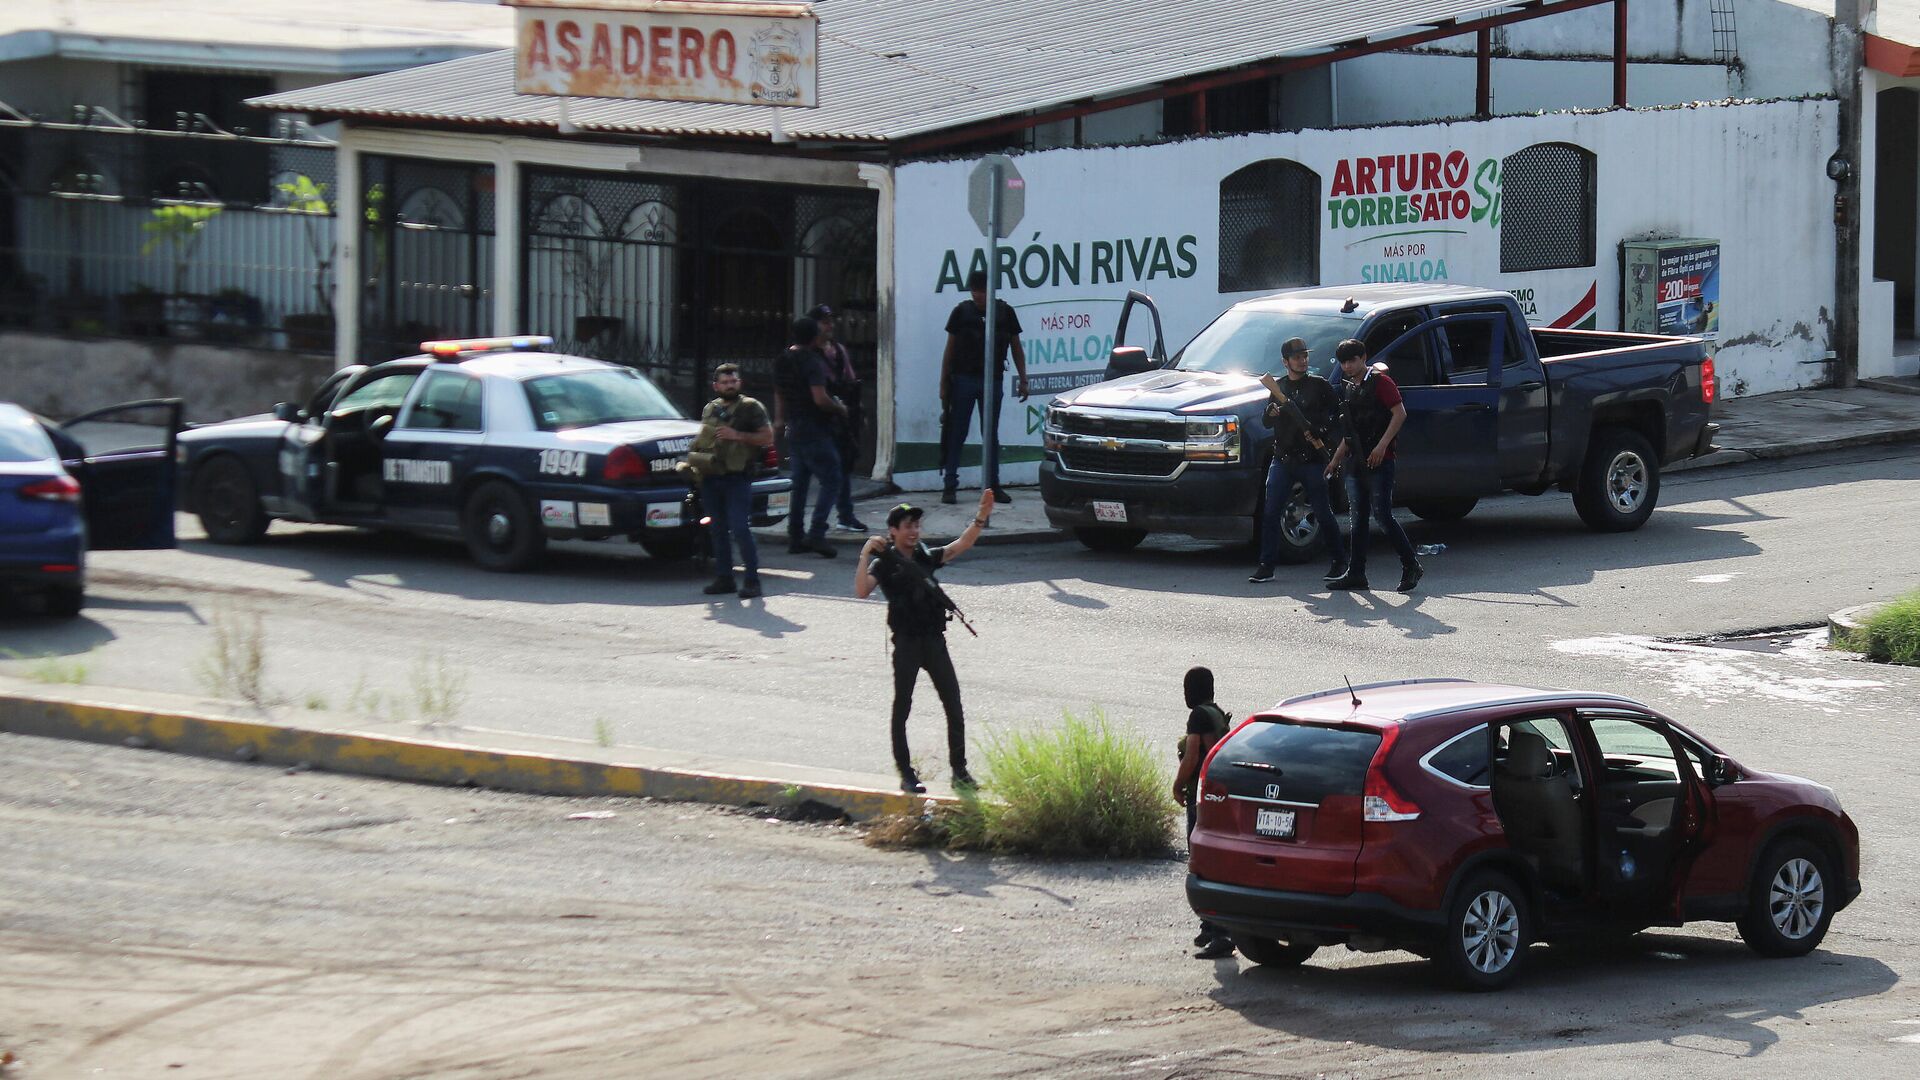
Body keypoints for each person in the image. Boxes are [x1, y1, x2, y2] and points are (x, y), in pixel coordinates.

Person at [853, 492, 996, 793]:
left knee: (954, 705)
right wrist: (865, 553)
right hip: (906, 644)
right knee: (902, 707)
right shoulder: (884, 564)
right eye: (907, 526)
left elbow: (962, 545)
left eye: (916, 525)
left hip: (934, 641)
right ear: (893, 531)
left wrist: (981, 516)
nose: (914, 531)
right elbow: (862, 591)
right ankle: (906, 773)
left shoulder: (925, 556)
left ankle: (960, 771)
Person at [1326, 339, 1423, 593]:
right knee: (1357, 519)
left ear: (1363, 357)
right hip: (1356, 462)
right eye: (1343, 362)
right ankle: (1356, 573)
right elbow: (1351, 432)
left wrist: (1382, 446)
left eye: (1352, 360)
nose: (1347, 366)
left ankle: (1411, 564)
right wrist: (1336, 459)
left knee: (1382, 515)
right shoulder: (1348, 388)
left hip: (1381, 460)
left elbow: (1399, 413)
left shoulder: (1381, 382)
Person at [1250, 337, 1346, 584]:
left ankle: (1339, 561)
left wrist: (1320, 431)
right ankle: (1266, 565)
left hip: (1312, 459)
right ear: (1285, 361)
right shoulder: (1278, 387)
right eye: (1296, 357)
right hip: (1282, 459)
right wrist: (1270, 413)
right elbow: (1267, 422)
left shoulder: (1319, 385)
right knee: (1271, 513)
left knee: (1323, 512)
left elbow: (1337, 414)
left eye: (1304, 356)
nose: (1302, 361)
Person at [940, 269, 1030, 505]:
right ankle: (950, 485)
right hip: (963, 379)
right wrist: (943, 383)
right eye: (975, 290)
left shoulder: (1004, 313)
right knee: (956, 432)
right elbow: (949, 350)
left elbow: (1016, 348)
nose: (978, 295)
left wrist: (1023, 379)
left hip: (993, 380)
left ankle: (993, 485)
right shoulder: (961, 313)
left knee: (990, 435)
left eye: (982, 290)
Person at [690, 363, 773, 598]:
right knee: (717, 530)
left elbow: (767, 437)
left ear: (740, 383)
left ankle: (752, 580)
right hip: (712, 477)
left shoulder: (750, 407)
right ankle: (724, 578)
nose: (730, 385)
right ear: (716, 385)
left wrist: (737, 435)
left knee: (739, 528)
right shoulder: (710, 409)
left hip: (738, 478)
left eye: (733, 381)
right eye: (725, 382)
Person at [1171, 665, 1234, 959]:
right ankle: (1210, 927)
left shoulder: (1198, 715)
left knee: (1202, 860)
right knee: (1208, 859)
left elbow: (1193, 754)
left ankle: (1219, 932)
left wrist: (1177, 784)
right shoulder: (1216, 712)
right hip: (1214, 794)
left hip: (1201, 794)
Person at [773, 316, 847, 558]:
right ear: (814, 337)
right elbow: (819, 398)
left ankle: (796, 536)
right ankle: (817, 533)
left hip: (795, 427)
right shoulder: (811, 361)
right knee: (832, 478)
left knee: (800, 483)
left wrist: (780, 419)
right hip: (814, 427)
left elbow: (779, 392)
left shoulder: (783, 359)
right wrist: (839, 408)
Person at [809, 303, 868, 532]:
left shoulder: (838, 350)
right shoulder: (807, 355)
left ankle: (844, 515)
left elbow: (850, 380)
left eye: (830, 321)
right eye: (825, 322)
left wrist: (858, 411)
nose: (829, 326)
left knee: (843, 466)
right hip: (821, 419)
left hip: (842, 416)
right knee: (826, 473)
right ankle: (816, 525)